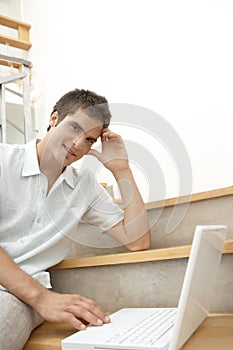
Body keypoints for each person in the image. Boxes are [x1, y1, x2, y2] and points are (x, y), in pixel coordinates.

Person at [0, 88, 151, 350]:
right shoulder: (4, 160)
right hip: (34, 295)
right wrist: (42, 298)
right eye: (74, 128)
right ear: (54, 119)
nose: (79, 144)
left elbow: (137, 241)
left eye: (90, 139)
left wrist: (121, 169)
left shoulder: (85, 187)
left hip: (16, 297)